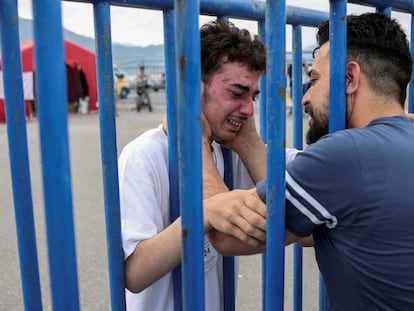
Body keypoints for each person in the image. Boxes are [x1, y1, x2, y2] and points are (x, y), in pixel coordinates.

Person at [118, 20, 297, 310]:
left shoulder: (230, 151)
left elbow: (301, 213)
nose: (249, 110)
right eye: (237, 93)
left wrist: (249, 143)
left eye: (253, 97)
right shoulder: (145, 154)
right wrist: (202, 215)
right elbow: (134, 273)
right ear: (193, 89)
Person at [252, 13, 414, 309]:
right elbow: (308, 230)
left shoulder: (347, 153)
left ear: (349, 78)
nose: (305, 98)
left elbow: (227, 238)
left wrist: (194, 138)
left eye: (313, 81)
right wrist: (244, 142)